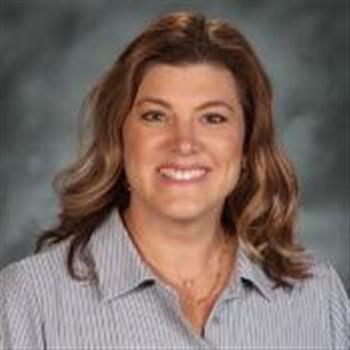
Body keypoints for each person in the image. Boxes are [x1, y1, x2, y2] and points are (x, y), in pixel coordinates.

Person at [0, 12, 348, 349]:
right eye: (156, 116)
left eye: (213, 118)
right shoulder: (27, 301)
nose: (184, 143)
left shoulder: (316, 296)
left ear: (247, 145)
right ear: (119, 138)